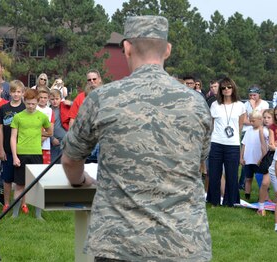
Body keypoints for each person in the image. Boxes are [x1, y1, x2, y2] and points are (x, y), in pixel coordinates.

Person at [61, 16, 212, 261]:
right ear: (168, 50)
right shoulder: (197, 104)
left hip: (119, 243)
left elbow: (70, 160)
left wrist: (79, 180)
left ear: (127, 48)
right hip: (182, 242)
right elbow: (199, 161)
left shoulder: (103, 99)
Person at [10, 89, 52, 218]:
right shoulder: (18, 117)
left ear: (38, 102)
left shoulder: (42, 116)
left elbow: (50, 132)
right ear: (24, 101)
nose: (30, 106)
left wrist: (38, 133)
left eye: (33, 104)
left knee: (37, 185)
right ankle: (14, 214)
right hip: (21, 154)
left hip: (36, 154)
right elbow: (13, 137)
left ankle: (38, 215)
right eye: (28, 103)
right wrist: (15, 156)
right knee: (19, 185)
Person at [208, 77, 245, 207]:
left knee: (232, 174)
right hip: (216, 143)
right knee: (214, 174)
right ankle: (214, 201)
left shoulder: (240, 105)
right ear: (220, 90)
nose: (226, 90)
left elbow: (240, 126)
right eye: (223, 88)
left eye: (229, 87)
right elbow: (211, 125)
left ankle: (231, 202)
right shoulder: (214, 105)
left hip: (233, 145)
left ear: (233, 88)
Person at [0, 80, 25, 212]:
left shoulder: (25, 108)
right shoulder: (4, 108)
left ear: (22, 93)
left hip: (23, 149)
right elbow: (0, 129)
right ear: (10, 93)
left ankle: (22, 204)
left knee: (22, 180)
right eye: (13, 92)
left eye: (18, 92)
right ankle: (7, 204)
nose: (16, 94)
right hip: (7, 149)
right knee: (7, 179)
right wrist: (1, 148)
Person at [240, 111, 268, 201]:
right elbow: (244, 144)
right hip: (248, 160)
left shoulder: (265, 131)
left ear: (260, 120)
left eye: (253, 121)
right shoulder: (248, 131)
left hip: (259, 160)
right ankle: (247, 197)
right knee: (248, 179)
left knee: (260, 180)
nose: (251, 123)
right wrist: (241, 157)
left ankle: (262, 198)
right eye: (250, 120)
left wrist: (262, 159)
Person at [255, 109, 275, 216]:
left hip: (273, 153)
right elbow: (264, 147)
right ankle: (261, 207)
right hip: (269, 156)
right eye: (265, 117)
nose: (266, 120)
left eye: (269, 117)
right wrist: (262, 158)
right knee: (264, 182)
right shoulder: (262, 130)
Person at [49, 89, 70, 163]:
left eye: (57, 99)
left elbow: (78, 107)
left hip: (65, 140)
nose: (55, 101)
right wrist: (52, 139)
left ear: (61, 99)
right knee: (53, 163)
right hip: (54, 141)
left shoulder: (65, 107)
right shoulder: (48, 110)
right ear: (49, 99)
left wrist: (70, 103)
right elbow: (45, 127)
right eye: (52, 99)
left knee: (65, 163)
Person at [35, 88, 53, 164]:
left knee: (44, 168)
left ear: (48, 98)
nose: (42, 99)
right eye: (41, 97)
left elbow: (51, 131)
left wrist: (41, 139)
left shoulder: (50, 110)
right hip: (33, 144)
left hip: (45, 145)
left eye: (45, 98)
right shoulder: (34, 108)